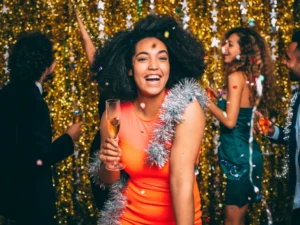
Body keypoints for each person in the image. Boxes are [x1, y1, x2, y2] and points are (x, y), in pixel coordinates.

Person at [89, 14, 207, 224]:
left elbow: (181, 182)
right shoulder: (114, 114)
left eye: (162, 58)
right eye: (143, 58)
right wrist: (108, 163)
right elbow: (110, 181)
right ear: (129, 68)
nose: (154, 66)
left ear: (171, 66)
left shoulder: (187, 109)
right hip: (130, 219)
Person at [0, 31, 83, 225]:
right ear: (48, 66)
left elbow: (19, 145)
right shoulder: (34, 101)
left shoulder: (5, 94)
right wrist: (68, 138)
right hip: (29, 204)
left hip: (7, 201)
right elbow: (38, 159)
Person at [207, 27, 275, 225]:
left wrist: (206, 102)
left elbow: (230, 120)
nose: (224, 49)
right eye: (224, 44)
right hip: (247, 155)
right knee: (239, 217)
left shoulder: (235, 77)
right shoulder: (247, 77)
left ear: (243, 51)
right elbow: (242, 113)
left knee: (232, 220)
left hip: (238, 157)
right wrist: (219, 98)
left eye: (230, 45)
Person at [256, 29, 300, 225]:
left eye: (288, 58)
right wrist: (272, 131)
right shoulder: (297, 96)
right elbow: (294, 137)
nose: (284, 63)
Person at [76, 10, 110, 210]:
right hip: (101, 152)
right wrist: (78, 12)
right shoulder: (108, 81)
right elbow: (89, 46)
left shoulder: (140, 88)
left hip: (127, 156)